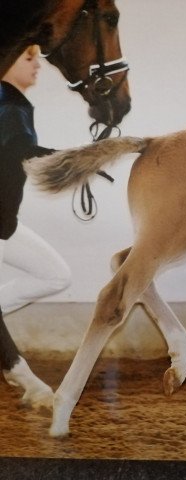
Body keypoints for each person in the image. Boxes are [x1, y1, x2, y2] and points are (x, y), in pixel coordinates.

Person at [0, 45, 71, 409]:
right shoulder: (7, 105)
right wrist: (76, 160)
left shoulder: (15, 104)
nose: (38, 64)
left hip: (4, 225)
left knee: (56, 275)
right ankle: (24, 378)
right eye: (28, 58)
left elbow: (20, 154)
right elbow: (18, 153)